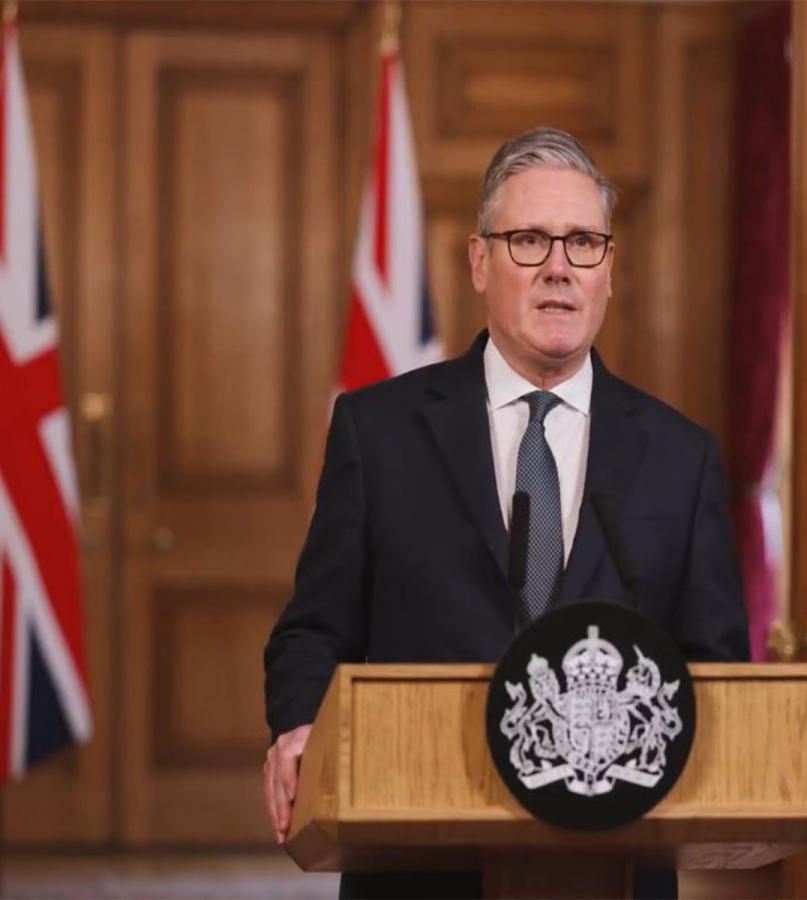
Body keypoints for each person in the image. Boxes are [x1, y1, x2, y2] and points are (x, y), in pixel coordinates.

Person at [262, 127, 749, 899]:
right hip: (418, 861)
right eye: (529, 240)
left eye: (583, 242)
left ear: (609, 269)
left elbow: (717, 669)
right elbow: (314, 631)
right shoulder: (379, 432)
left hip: (614, 863)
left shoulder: (680, 456)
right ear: (480, 262)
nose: (559, 267)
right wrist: (300, 729)